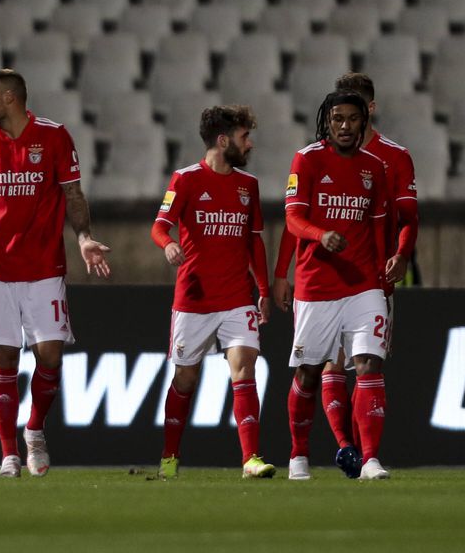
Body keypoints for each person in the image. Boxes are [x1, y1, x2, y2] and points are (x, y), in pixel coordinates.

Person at [0, 69, 111, 478]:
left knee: (50, 354)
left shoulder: (55, 136)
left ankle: (35, 430)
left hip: (44, 265)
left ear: (10, 98)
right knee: (5, 356)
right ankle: (9, 452)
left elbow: (73, 194)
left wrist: (83, 237)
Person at [272, 73, 418, 477]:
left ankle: (370, 458)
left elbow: (379, 222)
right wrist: (321, 237)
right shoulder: (306, 160)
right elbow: (293, 219)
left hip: (364, 284)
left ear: (364, 120)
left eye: (353, 119)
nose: (345, 126)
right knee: (310, 370)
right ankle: (299, 454)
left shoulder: (376, 167)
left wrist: (389, 266)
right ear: (328, 120)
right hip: (317, 284)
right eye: (338, 118)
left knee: (369, 362)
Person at [150, 105, 275, 479]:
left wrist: (264, 289)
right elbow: (159, 227)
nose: (249, 144)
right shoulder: (185, 180)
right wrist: (168, 245)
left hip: (237, 297)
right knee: (185, 379)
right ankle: (170, 456)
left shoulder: (247, 185)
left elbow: (255, 243)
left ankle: (251, 458)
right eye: (243, 137)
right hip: (194, 298)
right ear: (223, 141)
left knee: (244, 366)